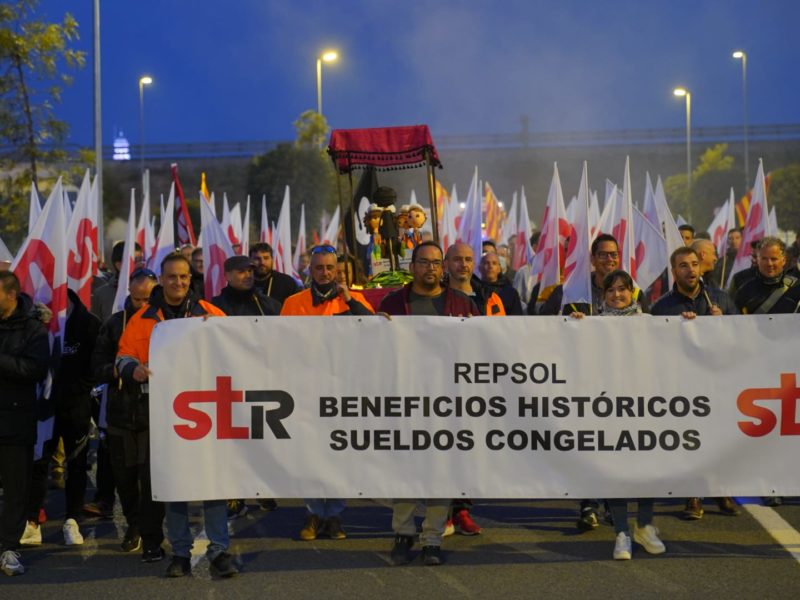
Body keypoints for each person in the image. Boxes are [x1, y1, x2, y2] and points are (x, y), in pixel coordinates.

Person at [116, 253, 236, 578]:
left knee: (213, 484)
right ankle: (180, 553)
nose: (179, 283)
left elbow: (238, 350)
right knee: (176, 487)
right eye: (172, 277)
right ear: (161, 279)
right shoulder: (141, 318)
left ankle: (219, 552)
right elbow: (122, 357)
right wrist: (133, 369)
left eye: (184, 277)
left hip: (208, 414)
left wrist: (220, 335)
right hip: (164, 417)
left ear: (190, 279)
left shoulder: (210, 314)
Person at [378, 242, 479, 566]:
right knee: (406, 468)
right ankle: (403, 532)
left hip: (447, 403)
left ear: (443, 267)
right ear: (413, 266)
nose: (431, 268)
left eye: (436, 263)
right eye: (424, 262)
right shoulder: (394, 303)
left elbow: (482, 347)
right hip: (405, 400)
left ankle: (432, 538)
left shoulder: (462, 304)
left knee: (441, 472)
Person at [281, 245, 375, 541]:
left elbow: (376, 332)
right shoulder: (293, 303)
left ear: (338, 270)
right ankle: (313, 512)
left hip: (343, 390)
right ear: (310, 269)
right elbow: (278, 342)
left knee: (337, 454)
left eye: (330, 268)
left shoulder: (354, 300)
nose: (324, 273)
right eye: (319, 268)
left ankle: (333, 513)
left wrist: (349, 300)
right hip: (306, 390)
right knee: (310, 454)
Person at [570, 270, 666, 560]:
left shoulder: (651, 324)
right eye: (611, 291)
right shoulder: (593, 325)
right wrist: (571, 328)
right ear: (603, 295)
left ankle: (645, 526)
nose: (617, 295)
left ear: (632, 293)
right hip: (608, 409)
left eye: (623, 289)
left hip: (645, 407)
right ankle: (622, 532)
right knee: (616, 471)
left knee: (648, 469)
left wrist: (686, 325)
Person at [651, 246, 739, 520]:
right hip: (683, 385)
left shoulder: (720, 299)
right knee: (691, 439)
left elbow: (742, 338)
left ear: (701, 267)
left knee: (718, 437)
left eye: (693, 264)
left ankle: (721, 489)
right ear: (674, 270)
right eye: (683, 266)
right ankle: (693, 495)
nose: (690, 270)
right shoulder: (662, 306)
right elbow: (653, 347)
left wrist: (723, 324)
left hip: (717, 381)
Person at [90, 268, 165, 560]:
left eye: (148, 298)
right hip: (121, 412)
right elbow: (96, 366)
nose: (142, 304)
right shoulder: (113, 325)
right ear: (129, 295)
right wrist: (122, 370)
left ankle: (149, 534)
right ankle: (134, 521)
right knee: (125, 477)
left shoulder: (164, 322)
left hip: (154, 415)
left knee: (150, 479)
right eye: (137, 298)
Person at [23, 288, 100, 548]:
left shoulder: (88, 323)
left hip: (76, 404)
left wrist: (80, 389)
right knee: (39, 462)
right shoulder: (35, 321)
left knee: (76, 464)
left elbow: (96, 363)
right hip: (44, 404)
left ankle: (73, 519)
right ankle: (32, 521)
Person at [0, 272, 49, 576]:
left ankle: (8, 548)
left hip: (15, 420)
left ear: (11, 294)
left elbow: (34, 369)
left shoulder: (33, 329)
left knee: (16, 490)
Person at [539, 234, 649, 316]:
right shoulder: (567, 292)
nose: (609, 259)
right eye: (603, 255)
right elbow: (546, 326)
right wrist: (571, 323)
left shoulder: (634, 292)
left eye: (613, 255)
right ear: (592, 259)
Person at [734, 237, 800, 315]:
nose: (769, 264)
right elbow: (735, 322)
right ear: (758, 260)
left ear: (783, 260)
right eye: (764, 259)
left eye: (774, 259)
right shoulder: (744, 291)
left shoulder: (796, 287)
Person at [444, 243, 505, 316]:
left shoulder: (491, 298)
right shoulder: (436, 295)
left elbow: (498, 326)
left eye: (468, 260)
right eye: (457, 259)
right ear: (446, 264)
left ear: (474, 264)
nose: (464, 264)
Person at [91, 241, 144, 323]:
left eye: (142, 260)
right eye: (135, 260)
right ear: (119, 265)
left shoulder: (152, 291)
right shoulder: (101, 294)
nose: (141, 264)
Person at [211, 256, 281, 317]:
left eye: (250, 271)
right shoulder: (215, 307)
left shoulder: (269, 305)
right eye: (241, 272)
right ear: (228, 276)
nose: (248, 276)